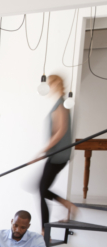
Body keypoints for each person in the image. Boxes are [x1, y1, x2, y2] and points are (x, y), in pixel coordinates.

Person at [38, 74, 77, 232]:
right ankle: (65, 206)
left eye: (50, 84)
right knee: (41, 189)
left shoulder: (61, 104)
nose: (48, 87)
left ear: (55, 84)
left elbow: (61, 131)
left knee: (41, 189)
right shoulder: (59, 104)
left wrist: (43, 150)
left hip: (57, 155)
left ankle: (44, 230)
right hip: (56, 154)